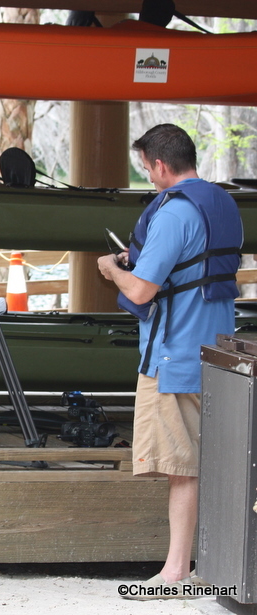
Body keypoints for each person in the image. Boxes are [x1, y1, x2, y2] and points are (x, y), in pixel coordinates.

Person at [98, 124, 243, 599]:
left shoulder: (173, 212)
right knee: (217, 461)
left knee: (183, 468)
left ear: (160, 164)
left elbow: (141, 290)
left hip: (175, 354)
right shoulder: (224, 203)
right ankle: (213, 562)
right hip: (219, 351)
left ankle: (176, 572)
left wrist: (111, 269)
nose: (149, 178)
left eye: (146, 169)